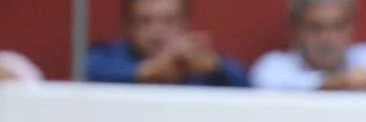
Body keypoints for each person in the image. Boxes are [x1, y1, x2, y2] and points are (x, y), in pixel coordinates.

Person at [249, 0, 366, 94]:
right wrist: (341, 82)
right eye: (316, 27)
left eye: (338, 26)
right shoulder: (275, 65)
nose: (328, 38)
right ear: (295, 29)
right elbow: (272, 84)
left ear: (351, 27)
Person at [86, 0, 247, 88]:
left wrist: (216, 67)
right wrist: (147, 71)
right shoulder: (108, 58)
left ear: (185, 24)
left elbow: (249, 88)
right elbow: (83, 71)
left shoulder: (198, 65)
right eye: (145, 21)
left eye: (168, 21)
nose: (156, 32)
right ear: (128, 26)